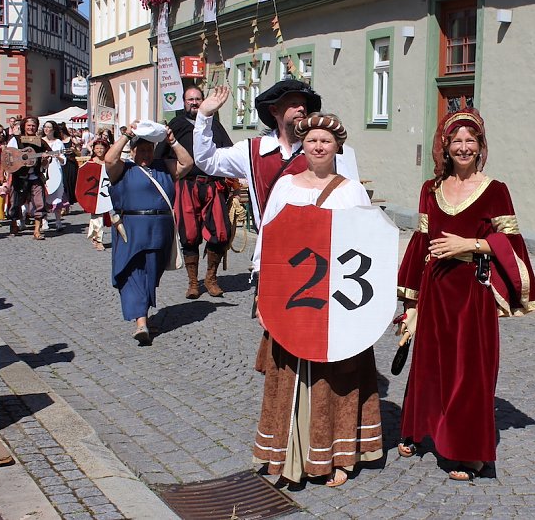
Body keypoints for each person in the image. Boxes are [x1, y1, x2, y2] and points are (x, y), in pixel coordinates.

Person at [395, 109, 535, 482]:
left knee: (468, 372)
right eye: (456, 141)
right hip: (435, 290)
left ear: (480, 147)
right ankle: (418, 429)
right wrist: (410, 305)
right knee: (429, 366)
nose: (463, 148)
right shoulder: (430, 189)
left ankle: (465, 451)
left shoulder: (495, 190)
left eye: (470, 141)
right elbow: (419, 244)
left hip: (471, 295)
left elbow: (512, 244)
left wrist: (472, 244)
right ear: (445, 147)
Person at [193, 81, 360, 372]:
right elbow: (208, 161)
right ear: (275, 110)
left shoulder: (327, 150)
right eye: (294, 103)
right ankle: (287, 409)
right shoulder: (253, 150)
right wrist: (205, 116)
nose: (301, 108)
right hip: (278, 260)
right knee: (281, 341)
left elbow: (354, 207)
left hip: (325, 259)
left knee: (323, 337)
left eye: (304, 104)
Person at [252, 113, 382, 487]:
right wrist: (263, 294)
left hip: (340, 301)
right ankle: (285, 454)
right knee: (289, 374)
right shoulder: (286, 186)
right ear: (303, 146)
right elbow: (269, 243)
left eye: (326, 140)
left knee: (336, 378)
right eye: (312, 140)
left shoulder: (350, 190)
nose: (319, 146)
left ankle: (339, 457)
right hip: (293, 299)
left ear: (337, 146)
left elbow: (367, 244)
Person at [105, 122, 193, 345]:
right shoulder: (123, 169)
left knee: (151, 275)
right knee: (133, 273)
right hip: (132, 230)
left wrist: (171, 139)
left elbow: (187, 163)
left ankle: (142, 314)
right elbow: (109, 159)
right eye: (140, 149)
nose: (145, 153)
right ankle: (141, 323)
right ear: (132, 150)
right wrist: (126, 135)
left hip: (159, 231)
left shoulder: (163, 167)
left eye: (148, 149)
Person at [155, 86, 233, 299]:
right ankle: (192, 283)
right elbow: (159, 157)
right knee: (189, 234)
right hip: (186, 185)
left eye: (198, 99)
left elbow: (228, 151)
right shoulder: (176, 125)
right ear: (184, 102)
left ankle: (211, 278)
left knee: (221, 232)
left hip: (212, 185)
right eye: (190, 99)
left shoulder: (214, 125)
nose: (195, 102)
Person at [6, 116, 50, 239]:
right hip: (19, 176)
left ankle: (37, 230)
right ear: (24, 126)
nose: (31, 127)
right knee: (16, 202)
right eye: (29, 125)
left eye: (33, 125)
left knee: (39, 203)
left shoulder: (41, 142)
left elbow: (45, 165)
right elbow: (7, 155)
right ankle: (14, 224)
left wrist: (45, 159)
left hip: (35, 176)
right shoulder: (16, 140)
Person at [85, 136, 111, 251]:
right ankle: (98, 239)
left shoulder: (110, 162)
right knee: (97, 217)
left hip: (108, 193)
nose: (99, 150)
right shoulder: (90, 163)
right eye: (97, 148)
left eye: (101, 148)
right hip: (94, 194)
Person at [42, 120, 67, 232]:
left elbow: (63, 160)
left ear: (53, 129)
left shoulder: (58, 142)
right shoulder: (41, 141)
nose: (46, 129)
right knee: (43, 196)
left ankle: (58, 221)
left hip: (56, 172)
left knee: (57, 196)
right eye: (45, 127)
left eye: (49, 127)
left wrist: (58, 156)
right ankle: (44, 221)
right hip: (44, 171)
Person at [58, 122, 79, 213]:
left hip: (71, 164)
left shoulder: (71, 139)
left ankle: (68, 204)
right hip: (61, 164)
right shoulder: (58, 141)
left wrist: (74, 150)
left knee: (70, 184)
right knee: (63, 184)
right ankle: (64, 205)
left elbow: (79, 153)